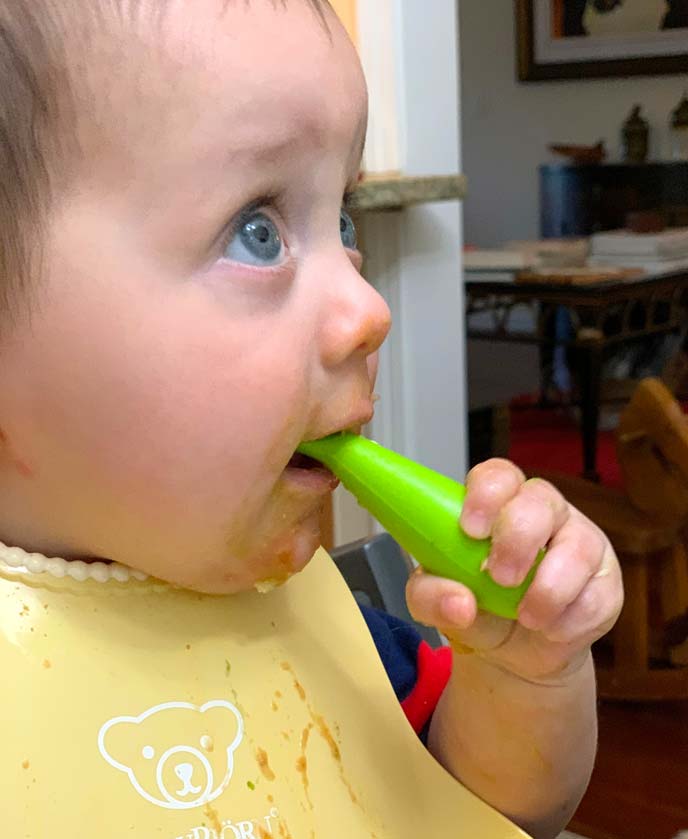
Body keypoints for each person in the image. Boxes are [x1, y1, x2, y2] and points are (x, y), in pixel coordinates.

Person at [0, 2, 623, 837]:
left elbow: (490, 808)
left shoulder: (337, 628)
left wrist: (526, 675)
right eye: (256, 231)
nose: (369, 307)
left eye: (343, 221)